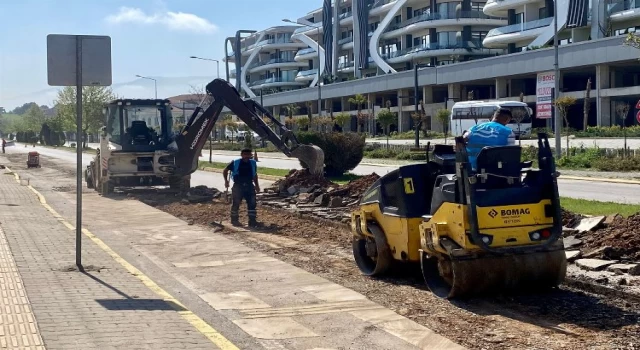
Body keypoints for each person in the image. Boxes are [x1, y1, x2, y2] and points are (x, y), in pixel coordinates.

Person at [223, 148, 260, 227]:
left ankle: (252, 221)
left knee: (252, 203)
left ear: (251, 155)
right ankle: (234, 220)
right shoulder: (235, 162)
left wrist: (257, 185)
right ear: (242, 155)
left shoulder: (253, 163)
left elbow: (254, 175)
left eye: (248, 154)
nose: (247, 156)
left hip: (249, 185)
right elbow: (225, 170)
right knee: (236, 203)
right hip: (238, 186)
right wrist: (226, 181)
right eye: (245, 154)